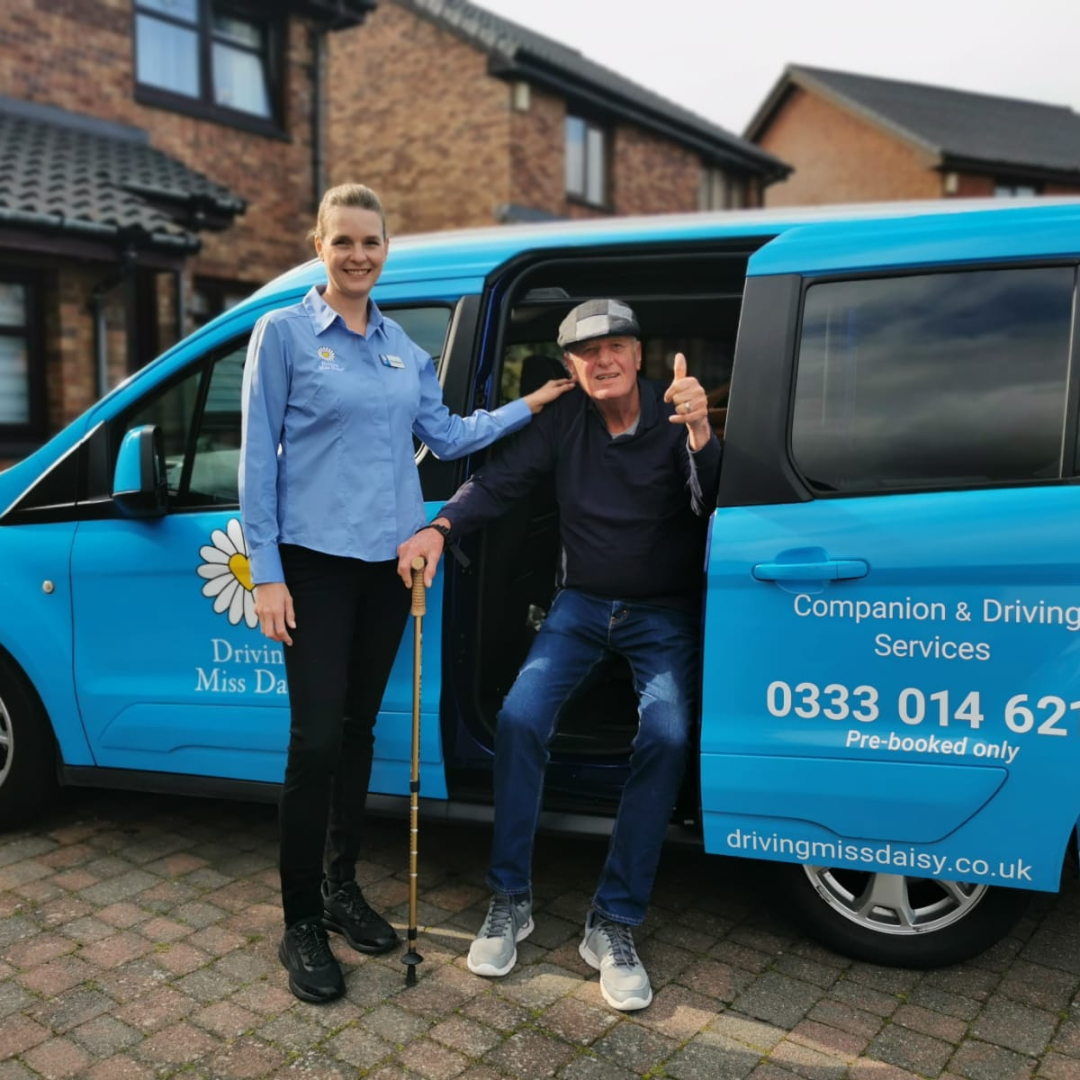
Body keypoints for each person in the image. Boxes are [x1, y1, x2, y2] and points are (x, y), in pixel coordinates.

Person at [239, 183, 573, 1004]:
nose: (359, 254)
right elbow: (255, 465)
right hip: (312, 566)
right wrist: (269, 574)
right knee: (313, 741)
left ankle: (341, 885)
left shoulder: (404, 351)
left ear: (388, 248)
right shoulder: (280, 334)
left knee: (357, 733)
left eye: (372, 241)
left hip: (386, 571)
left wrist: (530, 404)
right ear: (320, 244)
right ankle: (300, 920)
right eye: (344, 240)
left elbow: (450, 437)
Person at [396, 298, 721, 1011]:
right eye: (585, 352)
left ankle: (614, 921)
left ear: (639, 356)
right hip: (580, 607)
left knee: (666, 734)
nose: (602, 360)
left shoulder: (676, 424)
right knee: (518, 718)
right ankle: (510, 898)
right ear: (571, 368)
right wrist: (441, 527)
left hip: (661, 614)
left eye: (616, 347)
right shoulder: (564, 422)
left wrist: (700, 431)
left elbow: (710, 506)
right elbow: (501, 483)